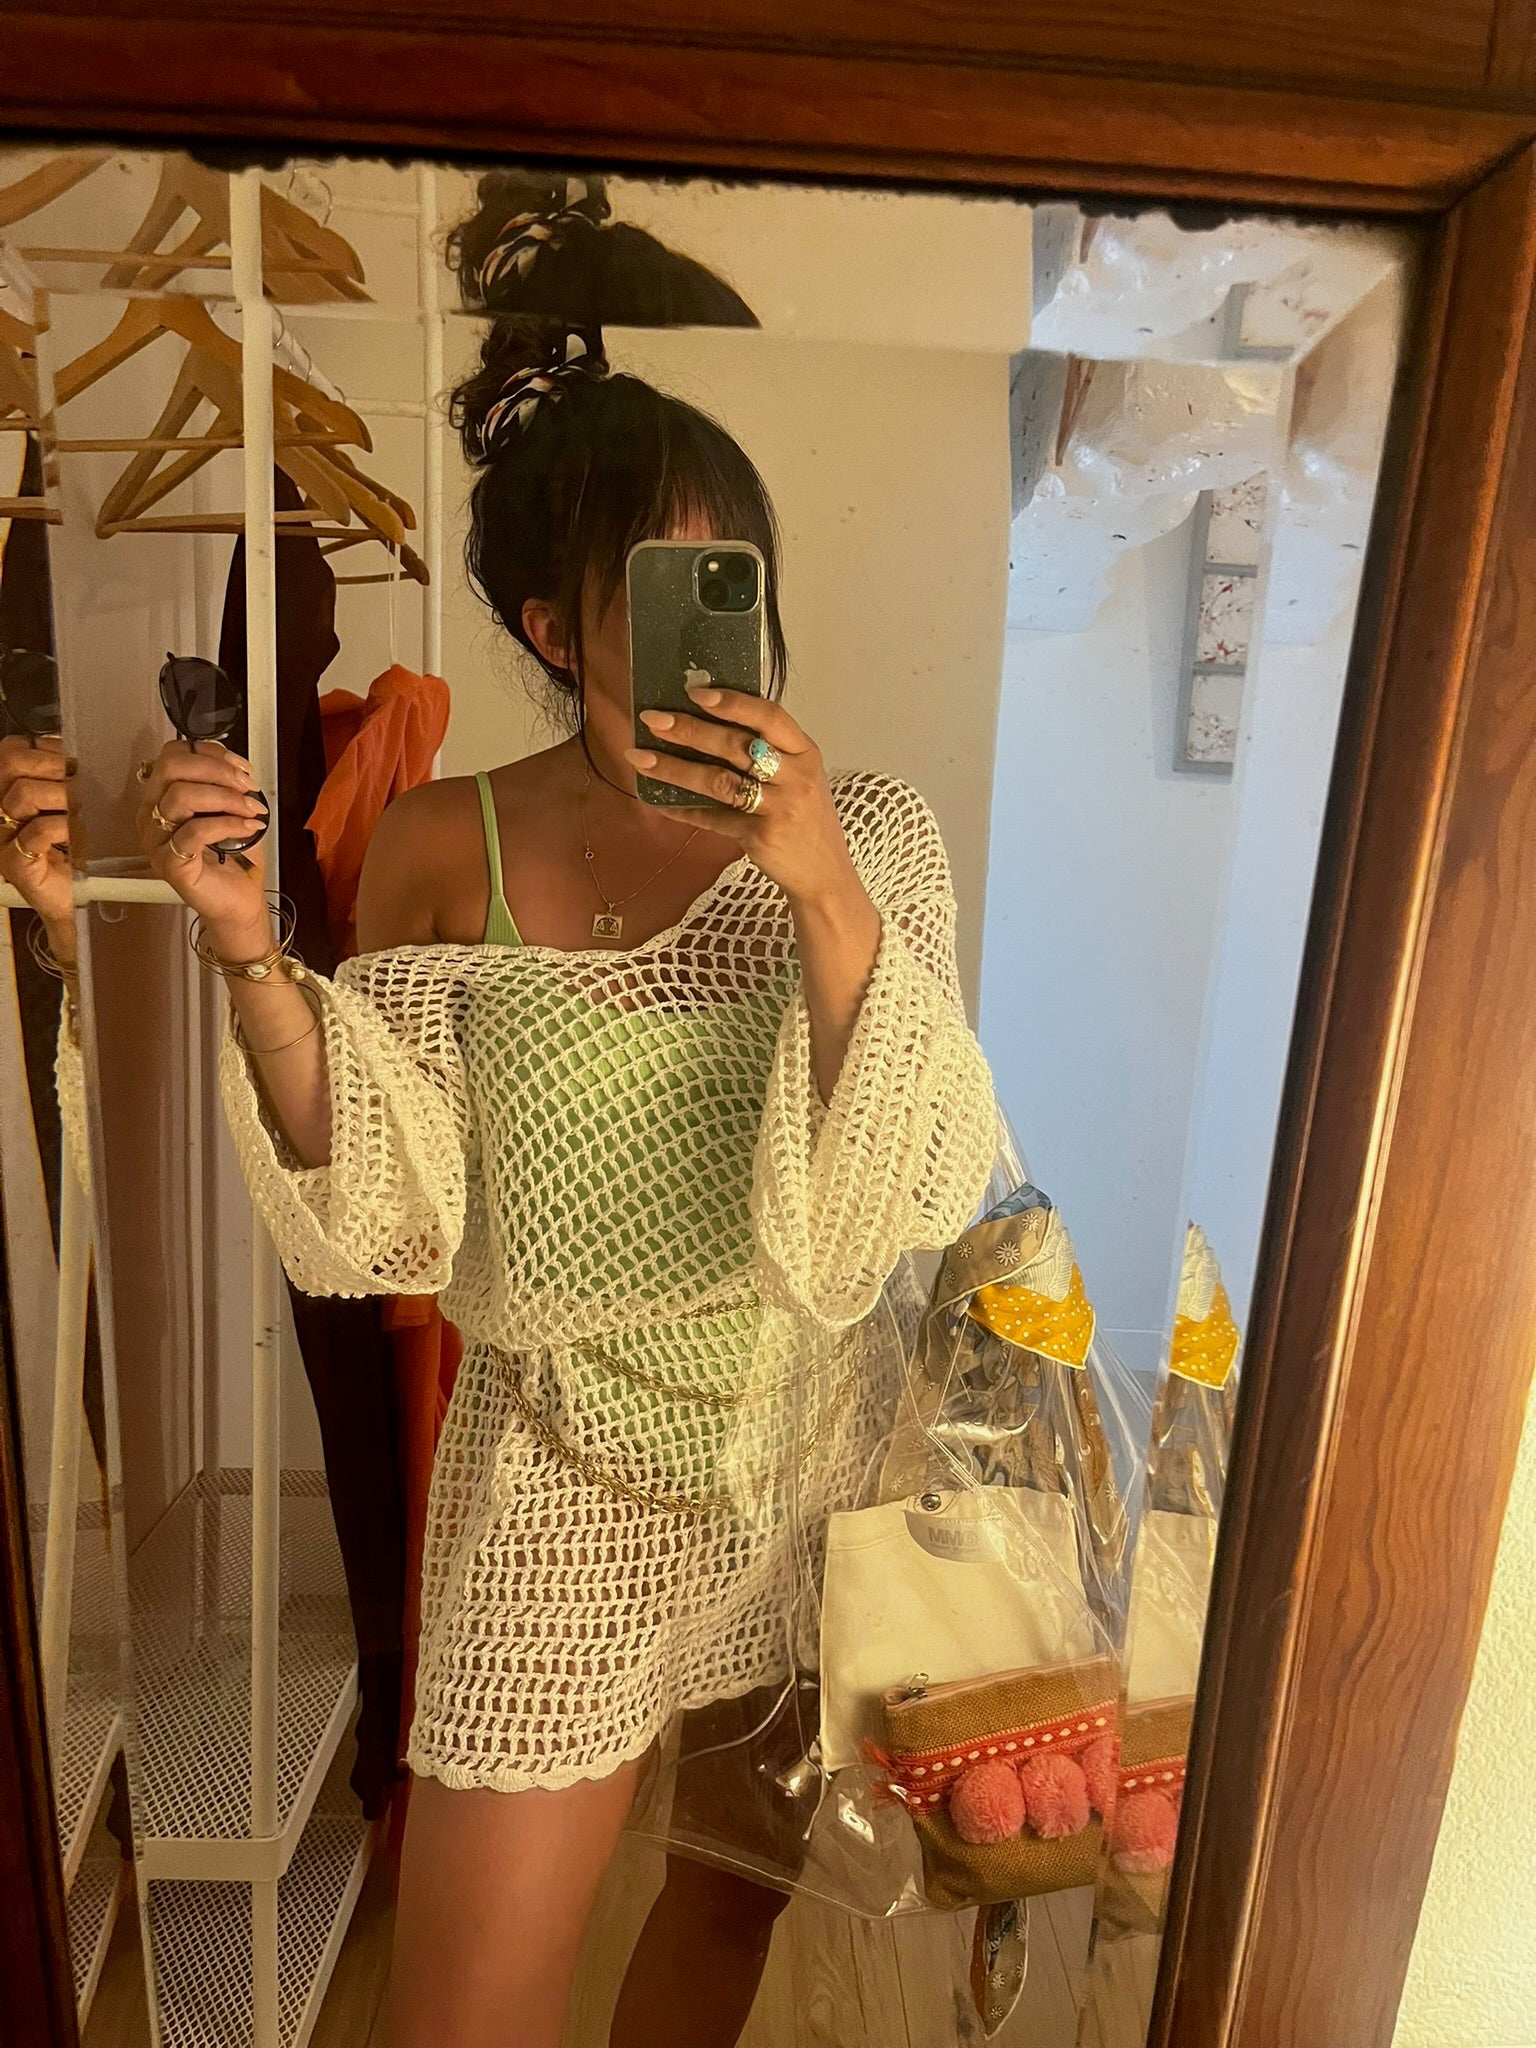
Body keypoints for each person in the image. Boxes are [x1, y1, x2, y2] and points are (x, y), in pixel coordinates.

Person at [2, 196, 998, 2048]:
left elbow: (911, 1173)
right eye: (660, 588)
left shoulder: (873, 834)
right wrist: (249, 957)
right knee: (464, 2009)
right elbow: (386, 1193)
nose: (720, 629)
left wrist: (820, 890)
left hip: (806, 1461)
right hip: (557, 1488)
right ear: (555, 621)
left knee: (728, 1912)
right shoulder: (441, 840)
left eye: (735, 578)